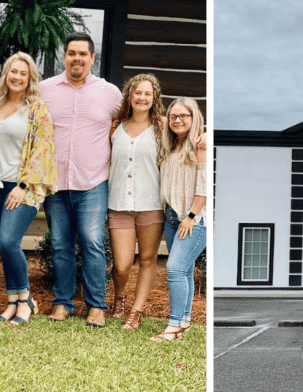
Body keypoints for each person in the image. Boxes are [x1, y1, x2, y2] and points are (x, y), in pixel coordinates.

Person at [40, 32, 122, 327]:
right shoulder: (44, 89)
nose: (77, 58)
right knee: (60, 244)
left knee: (91, 242)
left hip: (93, 182)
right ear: (64, 56)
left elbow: (134, 119)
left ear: (92, 58)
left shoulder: (110, 93)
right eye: (71, 53)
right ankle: (62, 303)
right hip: (56, 183)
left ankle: (96, 305)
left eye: (82, 54)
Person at [0, 52, 56, 325]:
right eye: (14, 71)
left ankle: (26, 300)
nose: (18, 77)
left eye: (24, 73)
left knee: (10, 241)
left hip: (22, 188)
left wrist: (23, 185)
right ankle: (11, 302)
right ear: (6, 74)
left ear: (30, 78)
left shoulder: (36, 108)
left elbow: (43, 150)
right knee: (5, 245)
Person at [107, 74, 166, 330]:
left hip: (150, 204)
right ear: (129, 96)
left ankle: (136, 311)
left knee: (147, 259)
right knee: (121, 264)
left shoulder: (163, 127)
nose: (142, 97)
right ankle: (119, 299)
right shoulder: (115, 126)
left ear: (154, 99)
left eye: (147, 93)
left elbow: (190, 135)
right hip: (119, 204)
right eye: (137, 93)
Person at [151, 98, 207, 342]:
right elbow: (155, 117)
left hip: (193, 219)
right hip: (171, 217)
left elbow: (204, 188)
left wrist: (191, 216)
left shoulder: (199, 145)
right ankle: (184, 321)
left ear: (194, 118)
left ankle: (172, 326)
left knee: (174, 269)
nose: (178, 120)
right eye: (173, 116)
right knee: (184, 271)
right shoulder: (169, 144)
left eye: (184, 116)